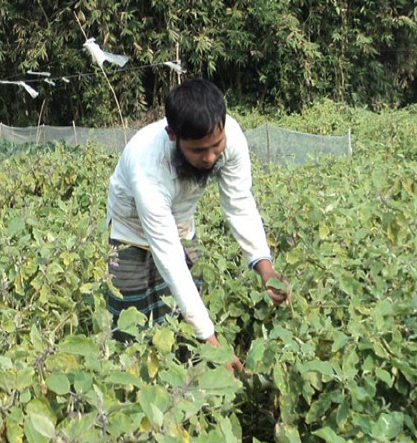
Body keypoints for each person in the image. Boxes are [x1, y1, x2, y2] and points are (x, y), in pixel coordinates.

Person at [106, 78, 289, 371]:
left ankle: (187, 379)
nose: (210, 157)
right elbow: (170, 260)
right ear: (172, 135)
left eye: (216, 146)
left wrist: (265, 268)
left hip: (180, 224)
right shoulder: (147, 167)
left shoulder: (231, 138)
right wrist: (213, 343)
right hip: (130, 228)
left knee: (185, 314)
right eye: (198, 151)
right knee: (130, 320)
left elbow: (239, 203)